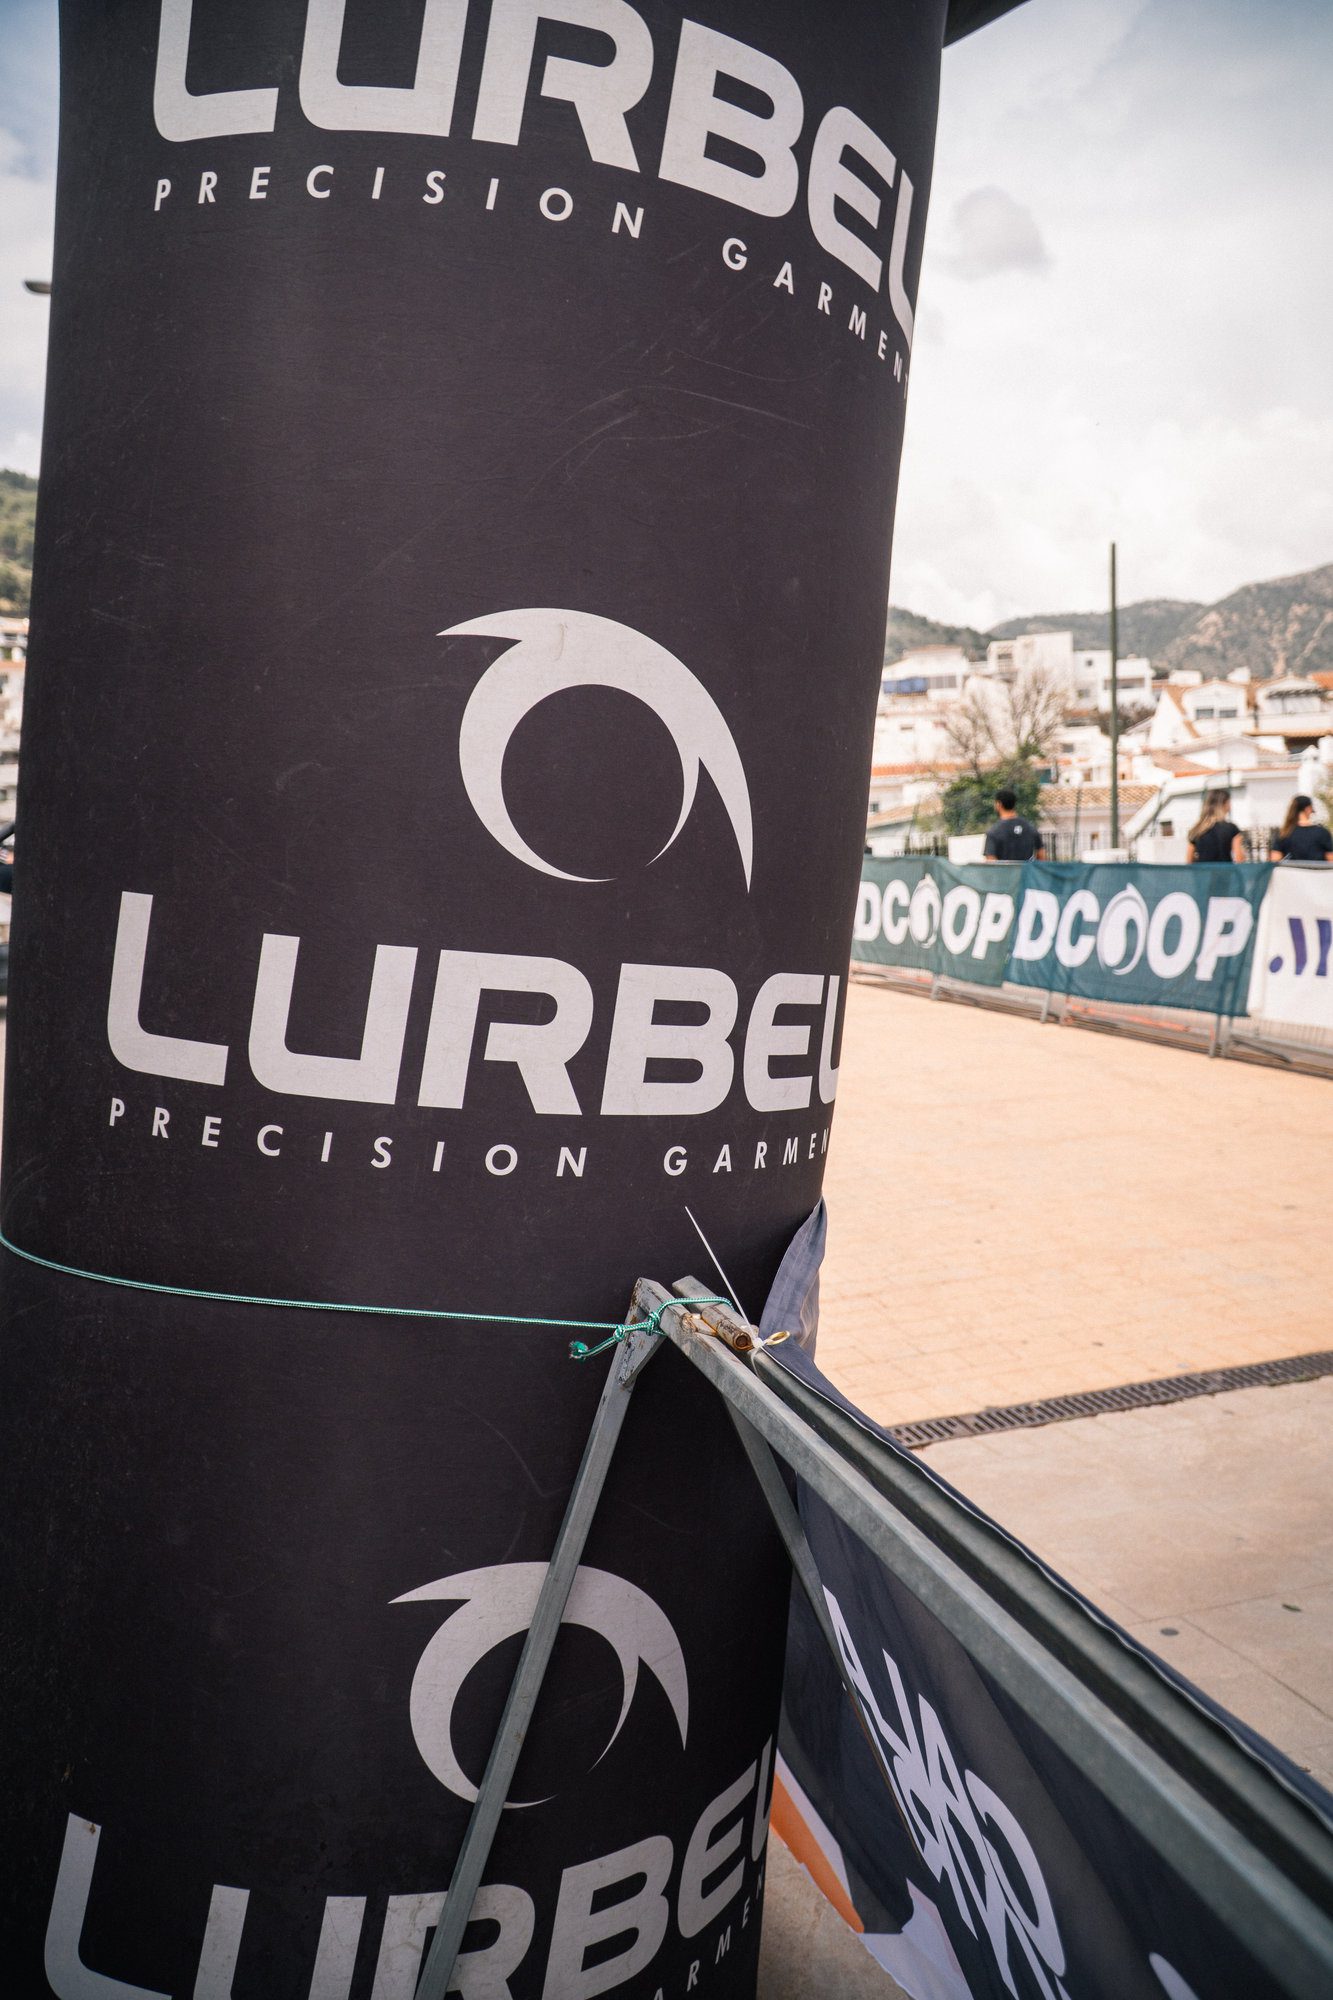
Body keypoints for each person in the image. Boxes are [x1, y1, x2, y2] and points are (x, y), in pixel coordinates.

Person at [983, 788, 1045, 861]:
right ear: (1014, 804)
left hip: (1004, 869)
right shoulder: (1030, 827)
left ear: (999, 804)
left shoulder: (994, 832)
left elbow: (991, 860)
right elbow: (1042, 856)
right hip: (1026, 868)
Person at [1186, 788, 1245, 864]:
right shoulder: (1232, 828)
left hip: (1203, 871)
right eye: (1229, 802)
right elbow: (1239, 858)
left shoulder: (1196, 829)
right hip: (1225, 871)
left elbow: (1189, 860)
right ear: (1224, 804)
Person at [1268, 795, 1333, 863]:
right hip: (1317, 870)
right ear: (1308, 809)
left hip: (1292, 870)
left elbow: (1274, 859)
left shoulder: (1284, 833)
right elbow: (1331, 860)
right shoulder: (1322, 832)